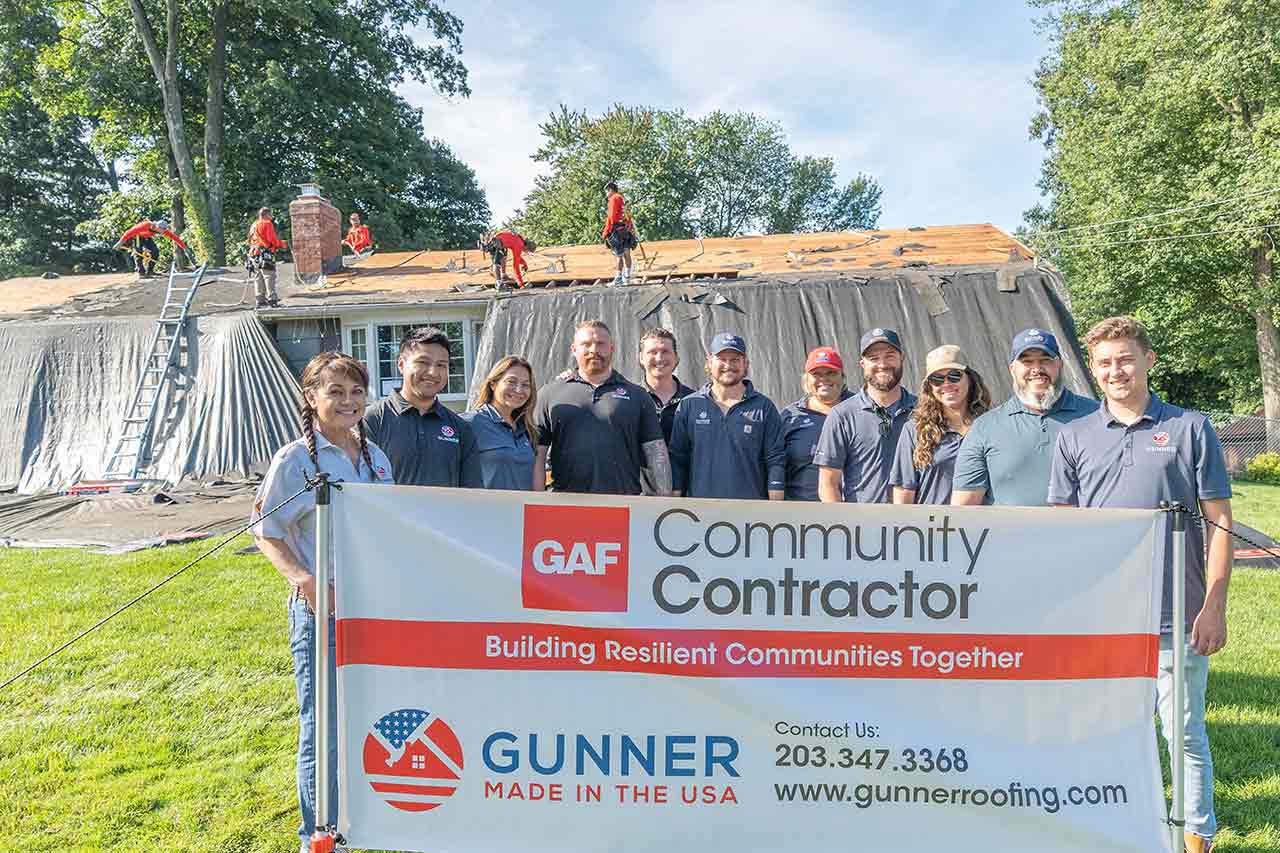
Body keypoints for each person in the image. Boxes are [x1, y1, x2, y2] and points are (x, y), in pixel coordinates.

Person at [1047, 316, 1232, 853]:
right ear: (1092, 370)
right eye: (1103, 363)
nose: (1115, 371)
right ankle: (1120, 831)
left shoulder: (1189, 427)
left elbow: (1219, 522)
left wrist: (1215, 605)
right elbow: (1063, 534)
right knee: (1110, 736)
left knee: (1184, 734)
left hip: (1179, 610)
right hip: (1106, 616)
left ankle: (1196, 837)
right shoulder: (1073, 437)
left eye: (1125, 359)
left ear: (1148, 360)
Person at [251, 351, 394, 853]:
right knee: (322, 724)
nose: (348, 401)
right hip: (322, 613)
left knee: (362, 715)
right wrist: (305, 579)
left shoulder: (376, 457)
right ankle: (318, 834)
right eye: (335, 391)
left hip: (370, 608)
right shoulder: (295, 460)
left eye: (356, 391)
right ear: (311, 399)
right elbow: (267, 532)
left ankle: (355, 820)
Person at [951, 328, 1099, 506]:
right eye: (1027, 362)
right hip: (1007, 534)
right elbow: (964, 508)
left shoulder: (1096, 415)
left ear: (1059, 364)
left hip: (1082, 533)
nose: (1036, 369)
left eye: (1045, 360)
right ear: (1012, 369)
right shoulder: (985, 428)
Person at [532, 319, 670, 495]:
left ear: (612, 348)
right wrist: (537, 501)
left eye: (600, 344)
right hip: (565, 505)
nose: (594, 350)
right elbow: (537, 455)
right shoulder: (550, 394)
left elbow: (656, 453)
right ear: (574, 349)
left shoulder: (637, 395)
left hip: (623, 506)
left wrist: (664, 501)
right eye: (586, 344)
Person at [362, 326, 482, 488]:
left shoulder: (461, 428)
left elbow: (472, 493)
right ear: (401, 365)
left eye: (441, 365)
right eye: (423, 362)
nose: (433, 372)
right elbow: (361, 488)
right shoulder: (372, 419)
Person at [670, 333, 785, 500]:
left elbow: (775, 459)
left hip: (749, 516)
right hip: (700, 512)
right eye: (722, 359)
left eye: (735, 359)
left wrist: (776, 507)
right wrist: (674, 503)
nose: (728, 365)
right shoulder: (690, 405)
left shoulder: (764, 407)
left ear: (745, 364)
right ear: (709, 363)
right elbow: (678, 458)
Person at [814, 328, 917, 503]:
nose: (882, 364)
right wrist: (842, 526)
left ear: (902, 359)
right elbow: (828, 484)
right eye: (874, 358)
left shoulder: (922, 412)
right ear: (862, 364)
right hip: (861, 527)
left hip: (914, 527)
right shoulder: (842, 415)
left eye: (890, 356)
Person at [891, 345, 992, 505]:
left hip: (982, 528)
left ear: (970, 378)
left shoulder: (990, 426)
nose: (946, 384)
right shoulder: (915, 430)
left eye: (954, 376)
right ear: (930, 387)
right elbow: (903, 492)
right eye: (937, 379)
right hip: (932, 527)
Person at [781, 346, 853, 501]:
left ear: (843, 376)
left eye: (831, 373)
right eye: (816, 374)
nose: (824, 379)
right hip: (799, 516)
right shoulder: (790, 417)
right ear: (806, 379)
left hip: (854, 515)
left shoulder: (860, 410)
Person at [461, 356, 538, 490]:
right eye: (511, 381)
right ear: (493, 384)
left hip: (522, 510)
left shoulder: (527, 429)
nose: (519, 390)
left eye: (525, 385)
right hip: (487, 509)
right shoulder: (470, 423)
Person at [638, 328, 695, 445]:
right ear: (641, 358)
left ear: (676, 358)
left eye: (665, 351)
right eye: (652, 352)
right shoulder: (631, 398)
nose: (659, 358)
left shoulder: (694, 400)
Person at [114, 218, 189, 278]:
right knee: (138, 253)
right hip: (137, 236)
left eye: (164, 230)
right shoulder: (144, 226)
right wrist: (120, 243)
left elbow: (174, 237)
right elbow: (128, 233)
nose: (163, 232)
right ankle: (141, 273)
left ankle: (150, 271)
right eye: (162, 230)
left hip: (147, 237)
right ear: (157, 226)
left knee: (155, 252)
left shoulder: (163, 230)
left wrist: (184, 247)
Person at [247, 207, 288, 308]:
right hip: (265, 254)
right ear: (266, 214)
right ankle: (272, 299)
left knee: (258, 277)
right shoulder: (267, 223)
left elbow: (249, 240)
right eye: (270, 215)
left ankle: (260, 300)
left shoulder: (254, 224)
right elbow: (272, 240)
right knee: (269, 276)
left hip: (254, 254)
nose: (272, 217)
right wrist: (282, 244)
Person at [601, 181, 637, 286]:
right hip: (625, 230)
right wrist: (630, 228)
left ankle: (618, 279)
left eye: (607, 192)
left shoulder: (613, 199)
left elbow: (611, 218)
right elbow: (627, 215)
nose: (606, 194)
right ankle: (627, 278)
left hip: (616, 230)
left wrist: (605, 232)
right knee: (627, 253)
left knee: (618, 256)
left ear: (610, 190)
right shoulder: (622, 199)